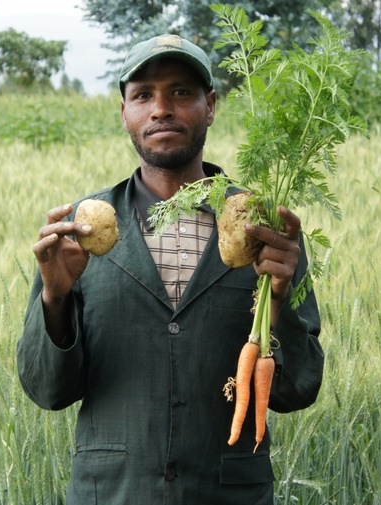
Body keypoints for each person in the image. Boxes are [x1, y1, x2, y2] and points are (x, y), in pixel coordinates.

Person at [17, 34, 324, 505]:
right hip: (113, 495)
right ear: (124, 112)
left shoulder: (263, 228)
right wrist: (54, 301)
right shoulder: (77, 232)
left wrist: (280, 302)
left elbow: (298, 388)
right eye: (143, 95)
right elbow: (46, 391)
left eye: (181, 92)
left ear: (211, 105)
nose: (161, 108)